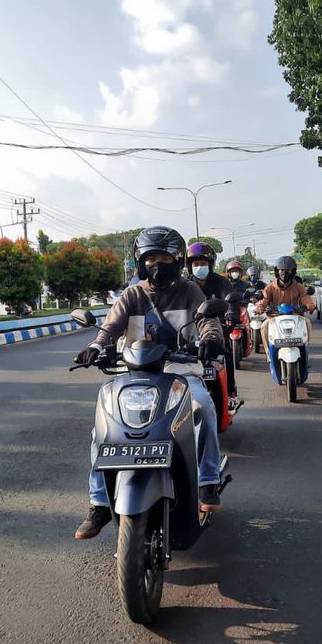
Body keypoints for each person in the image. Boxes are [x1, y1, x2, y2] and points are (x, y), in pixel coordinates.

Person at [73, 226, 227, 540]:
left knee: (204, 409)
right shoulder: (133, 294)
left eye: (165, 257)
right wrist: (96, 347)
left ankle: (207, 480)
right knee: (101, 431)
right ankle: (100, 502)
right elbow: (110, 327)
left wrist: (211, 339)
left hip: (180, 373)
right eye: (151, 258)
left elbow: (207, 322)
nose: (158, 264)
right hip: (135, 376)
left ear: (178, 260)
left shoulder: (189, 291)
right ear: (141, 263)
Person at [186, 241, 239, 406]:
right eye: (196, 264)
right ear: (190, 266)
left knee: (226, 352)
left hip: (218, 329)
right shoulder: (185, 285)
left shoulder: (222, 282)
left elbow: (230, 300)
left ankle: (231, 393)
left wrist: (230, 314)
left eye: (203, 263)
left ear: (211, 264)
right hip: (190, 330)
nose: (199, 267)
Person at [254, 256, 316, 351]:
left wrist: (310, 305)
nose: (284, 273)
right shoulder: (270, 287)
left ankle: (305, 352)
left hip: (295, 316)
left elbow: (305, 297)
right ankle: (269, 355)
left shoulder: (299, 286)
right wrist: (259, 306)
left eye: (288, 270)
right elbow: (264, 299)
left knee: (307, 322)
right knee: (264, 326)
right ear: (277, 271)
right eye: (281, 270)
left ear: (293, 271)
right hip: (274, 317)